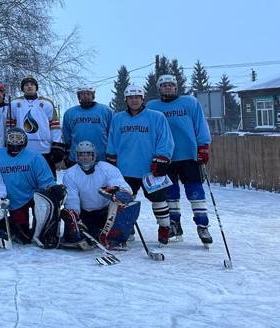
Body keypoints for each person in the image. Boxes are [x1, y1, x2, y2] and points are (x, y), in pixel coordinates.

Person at [146, 75, 212, 244]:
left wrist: (203, 146)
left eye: (171, 85)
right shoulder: (152, 107)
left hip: (188, 155)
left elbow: (200, 124)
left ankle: (202, 226)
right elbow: (149, 131)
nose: (167, 88)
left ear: (176, 87)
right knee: (170, 193)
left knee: (195, 191)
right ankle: (174, 224)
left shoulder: (190, 102)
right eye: (164, 85)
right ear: (159, 88)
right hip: (164, 158)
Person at [106, 84, 175, 244]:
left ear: (143, 98)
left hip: (150, 169)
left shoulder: (157, 117)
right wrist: (111, 159)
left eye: (137, 97)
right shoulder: (118, 118)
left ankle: (164, 227)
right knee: (125, 201)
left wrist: (163, 157)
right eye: (130, 97)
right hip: (126, 168)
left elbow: (165, 139)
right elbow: (112, 140)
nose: (134, 100)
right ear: (126, 100)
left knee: (159, 199)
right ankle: (126, 229)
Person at [60, 141, 137, 250]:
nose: (85, 157)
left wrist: (119, 191)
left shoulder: (108, 169)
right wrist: (75, 217)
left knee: (119, 205)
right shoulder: (70, 174)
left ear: (94, 155)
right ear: (77, 156)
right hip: (85, 214)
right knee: (80, 238)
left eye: (88, 154)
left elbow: (121, 184)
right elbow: (72, 200)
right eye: (81, 154)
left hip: (106, 213)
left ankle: (118, 236)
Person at [0, 129, 62, 246]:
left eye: (18, 138)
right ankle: (11, 226)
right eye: (11, 137)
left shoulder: (34, 156)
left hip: (34, 194)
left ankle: (45, 232)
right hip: (14, 198)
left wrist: (53, 187)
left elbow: (45, 177)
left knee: (42, 219)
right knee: (24, 237)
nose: (14, 141)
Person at [7, 76, 65, 176]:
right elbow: (9, 127)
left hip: (44, 149)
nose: (29, 86)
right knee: (25, 180)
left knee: (47, 180)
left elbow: (55, 126)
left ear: (36, 87)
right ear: (22, 88)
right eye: (26, 85)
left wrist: (57, 145)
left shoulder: (47, 103)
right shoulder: (14, 103)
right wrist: (8, 143)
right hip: (22, 149)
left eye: (32, 84)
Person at [61, 85, 112, 167]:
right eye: (82, 94)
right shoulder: (69, 113)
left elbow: (112, 135)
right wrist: (66, 154)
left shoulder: (106, 111)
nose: (85, 96)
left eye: (88, 93)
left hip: (101, 158)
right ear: (78, 96)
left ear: (93, 95)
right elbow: (66, 137)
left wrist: (111, 154)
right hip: (77, 158)